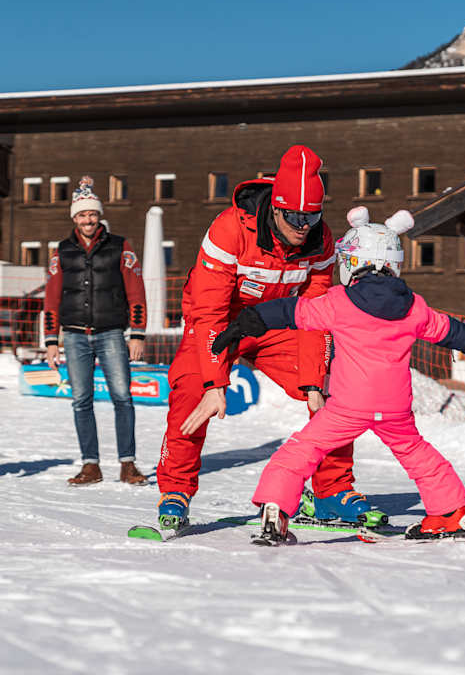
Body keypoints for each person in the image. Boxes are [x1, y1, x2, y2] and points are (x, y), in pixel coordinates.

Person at [211, 206, 465, 544]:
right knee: (420, 456)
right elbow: (453, 332)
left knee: (302, 451)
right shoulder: (414, 306)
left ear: (352, 262)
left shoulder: (338, 301)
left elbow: (290, 311)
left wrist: (245, 322)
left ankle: (276, 508)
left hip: (348, 407)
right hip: (395, 408)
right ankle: (449, 513)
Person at [155, 145, 383, 532]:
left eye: (311, 216)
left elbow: (316, 313)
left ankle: (331, 491)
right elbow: (208, 311)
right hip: (221, 321)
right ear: (275, 208)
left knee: (333, 389)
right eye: (293, 216)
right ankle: (175, 489)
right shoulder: (229, 229)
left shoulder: (320, 240)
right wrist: (215, 383)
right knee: (192, 392)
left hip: (277, 322)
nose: (302, 226)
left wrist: (314, 379)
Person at [44, 176, 149, 486]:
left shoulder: (121, 246)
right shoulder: (61, 251)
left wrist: (138, 333)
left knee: (122, 397)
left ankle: (127, 464)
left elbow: (136, 291)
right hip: (74, 335)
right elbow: (51, 298)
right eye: (82, 215)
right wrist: (52, 341)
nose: (88, 220)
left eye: (92, 214)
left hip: (111, 333)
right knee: (81, 400)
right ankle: (91, 465)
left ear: (99, 215)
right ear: (75, 218)